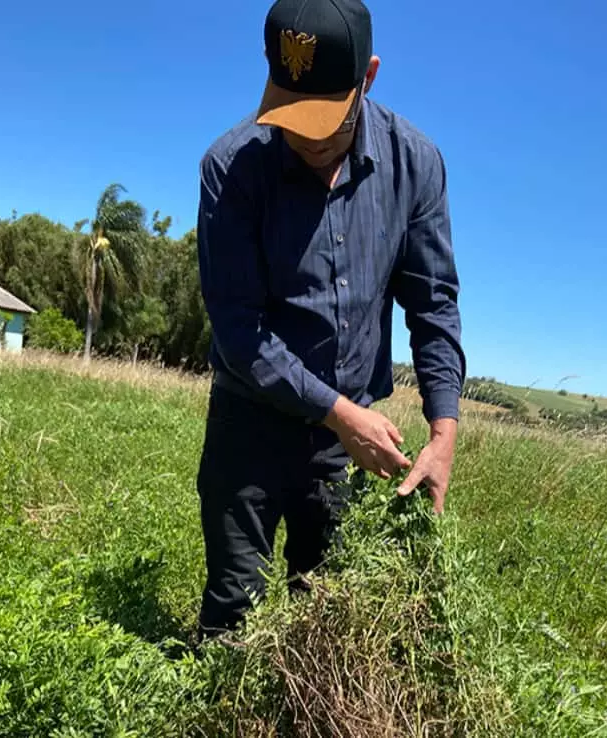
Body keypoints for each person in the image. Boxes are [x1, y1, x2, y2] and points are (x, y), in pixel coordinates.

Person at [195, 0, 466, 637]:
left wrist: (443, 431)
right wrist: (340, 413)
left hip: (343, 447)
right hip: (250, 424)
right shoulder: (229, 169)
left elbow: (432, 303)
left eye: (325, 121)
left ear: (367, 78)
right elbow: (238, 330)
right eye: (291, 115)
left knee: (329, 616)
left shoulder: (415, 164)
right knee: (234, 616)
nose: (306, 138)